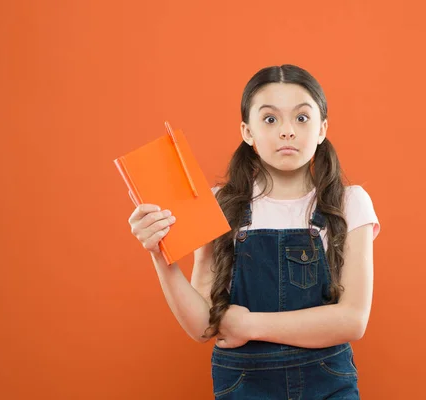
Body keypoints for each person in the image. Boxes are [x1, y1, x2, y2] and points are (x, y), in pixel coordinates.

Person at [127, 64, 380, 399]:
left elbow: (352, 320)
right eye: (270, 119)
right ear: (247, 132)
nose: (287, 131)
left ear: (322, 129)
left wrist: (250, 325)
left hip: (328, 384)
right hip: (245, 386)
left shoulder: (348, 202)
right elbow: (204, 326)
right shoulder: (220, 204)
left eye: (302, 118)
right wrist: (161, 256)